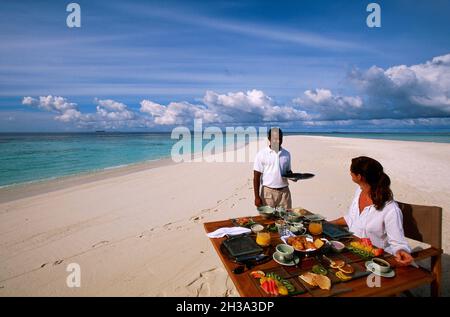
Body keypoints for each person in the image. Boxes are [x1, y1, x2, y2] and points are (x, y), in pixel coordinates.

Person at [330, 156, 413, 266]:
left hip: (374, 259)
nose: (350, 173)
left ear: (359, 177)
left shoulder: (390, 209)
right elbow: (353, 218)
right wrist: (329, 223)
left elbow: (398, 242)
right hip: (351, 249)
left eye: (351, 171)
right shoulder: (359, 191)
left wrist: (401, 251)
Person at [253, 127, 293, 209]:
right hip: (268, 193)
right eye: (275, 139)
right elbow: (256, 177)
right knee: (268, 220)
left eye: (280, 138)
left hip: (285, 193)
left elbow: (288, 171)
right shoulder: (261, 154)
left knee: (287, 219)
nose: (277, 141)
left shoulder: (286, 154)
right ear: (269, 138)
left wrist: (294, 176)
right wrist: (257, 197)